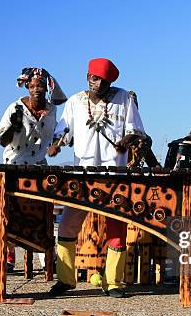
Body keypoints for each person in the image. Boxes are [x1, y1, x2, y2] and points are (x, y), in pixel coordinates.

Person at [46, 58, 146, 298]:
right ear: (87, 77)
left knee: (116, 226)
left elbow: (136, 130)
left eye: (102, 80)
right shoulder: (75, 102)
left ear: (110, 82)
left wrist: (127, 140)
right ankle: (66, 280)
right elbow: (63, 131)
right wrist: (57, 145)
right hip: (83, 175)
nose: (96, 83)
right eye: (93, 78)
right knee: (68, 224)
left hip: (114, 175)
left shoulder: (124, 98)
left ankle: (113, 282)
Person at [0, 67, 66, 271]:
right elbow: (1, 140)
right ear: (27, 86)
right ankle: (8, 256)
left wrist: (56, 146)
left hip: (38, 167)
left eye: (40, 86)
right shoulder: (15, 108)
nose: (36, 89)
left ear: (46, 88)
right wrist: (13, 127)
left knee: (42, 215)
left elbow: (55, 137)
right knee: (10, 214)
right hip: (13, 165)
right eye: (33, 86)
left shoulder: (52, 110)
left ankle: (46, 259)